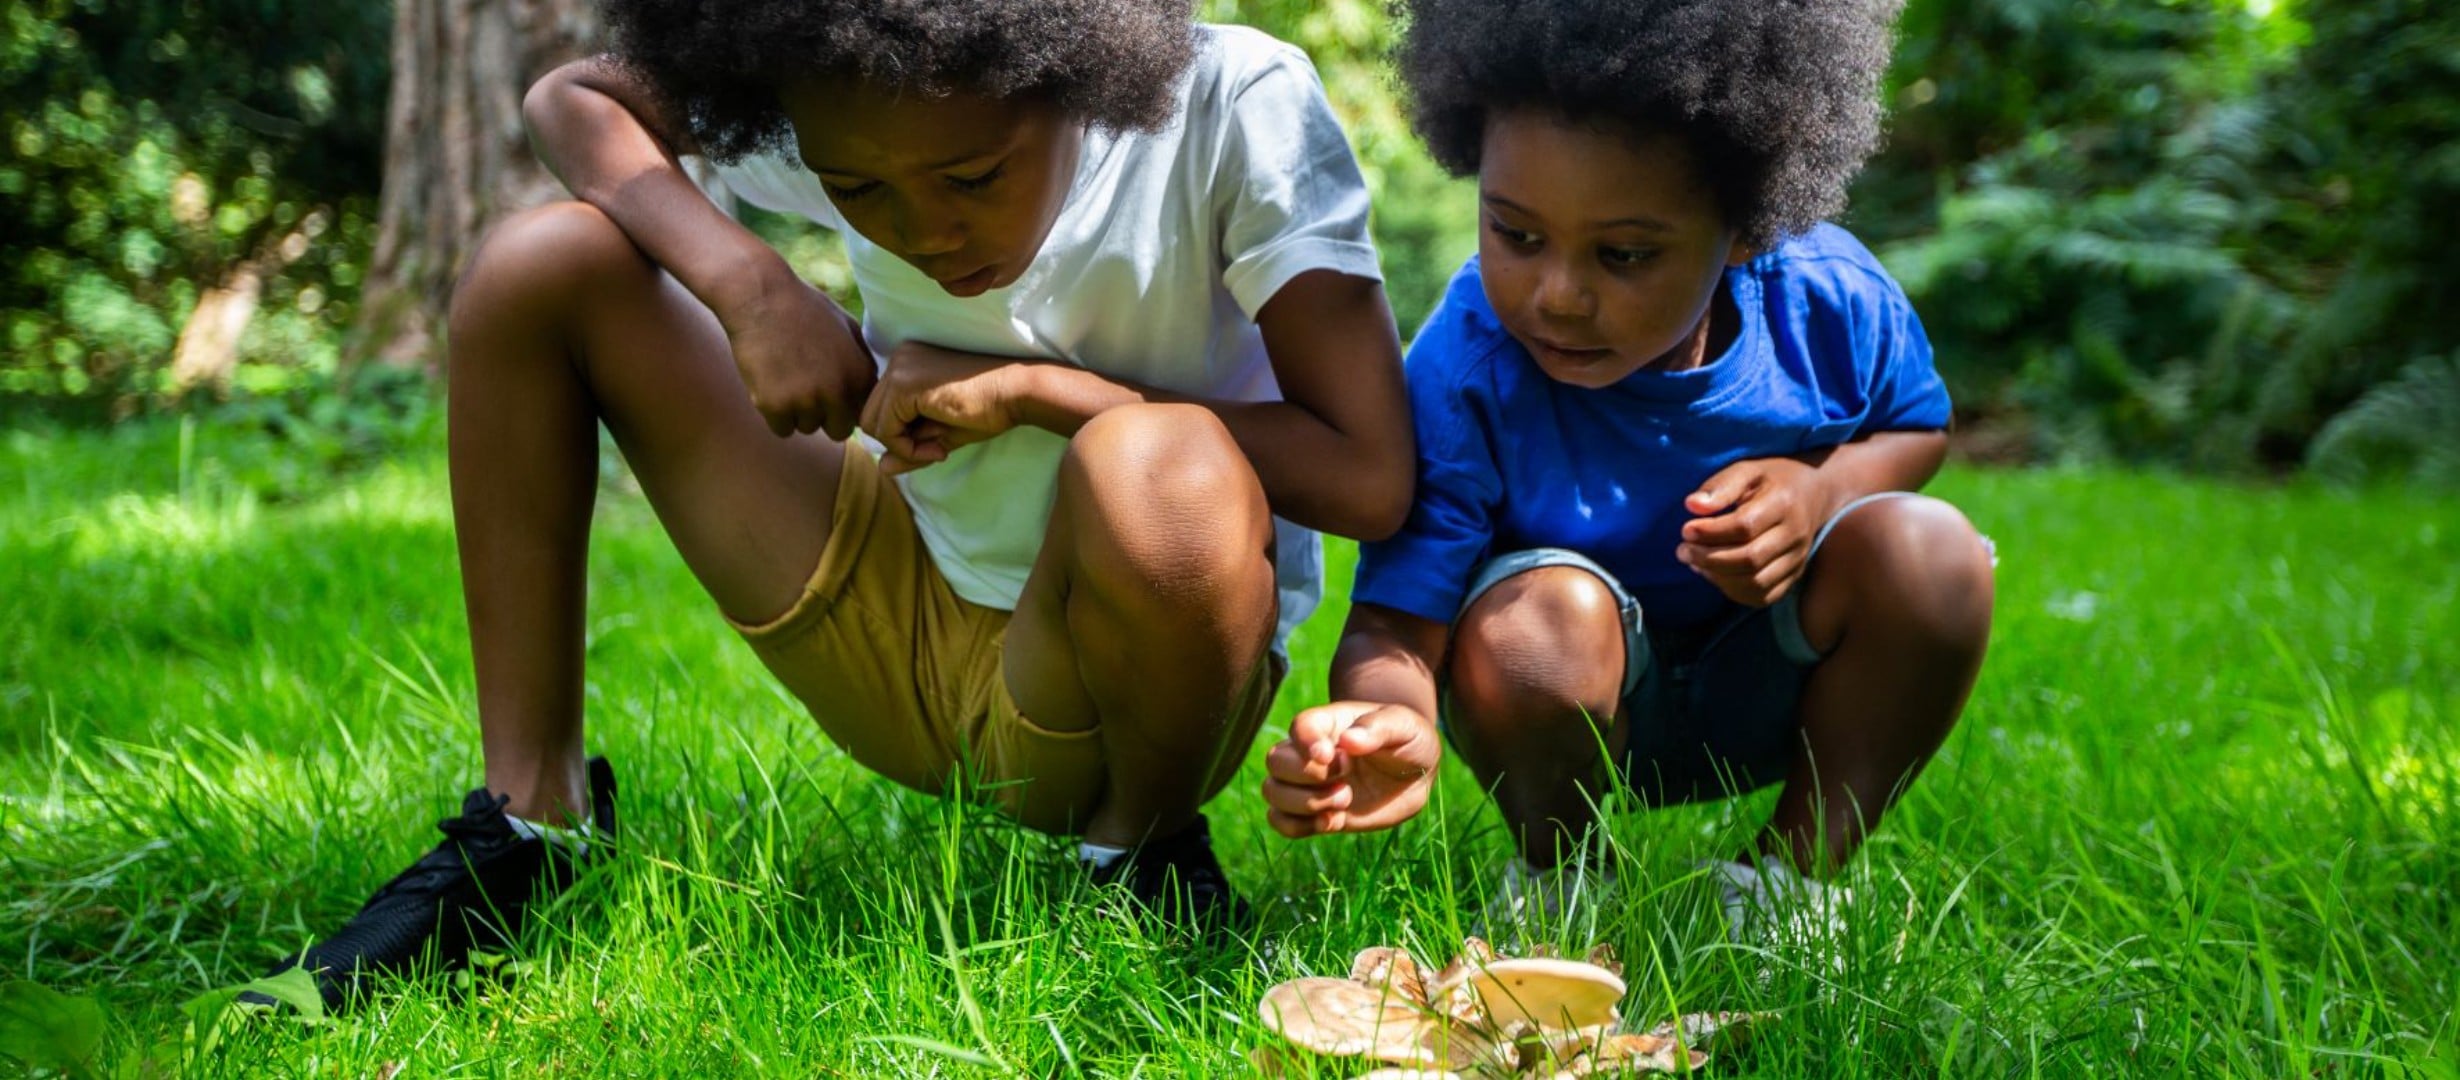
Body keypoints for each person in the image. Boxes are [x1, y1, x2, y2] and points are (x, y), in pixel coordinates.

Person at [263, 0, 1413, 1010]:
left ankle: (1141, 858)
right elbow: (572, 98)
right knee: (540, 265)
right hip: (895, 604)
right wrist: (750, 282)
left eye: (973, 178)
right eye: (859, 193)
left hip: (1133, 680)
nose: (924, 231)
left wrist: (1036, 395)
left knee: (1159, 463)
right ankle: (530, 831)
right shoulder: (842, 77)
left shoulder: (1231, 106)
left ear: (1077, 78)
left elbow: (1368, 472)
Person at [1259, 0, 1995, 941]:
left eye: (1626, 255)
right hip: (1552, 714)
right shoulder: (1465, 368)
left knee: (1934, 553)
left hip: (1780, 688)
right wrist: (1380, 718)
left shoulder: (1828, 302)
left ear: (1746, 229)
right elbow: (1398, 622)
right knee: (1540, 620)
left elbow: (1918, 428)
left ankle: (1790, 888)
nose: (1558, 295)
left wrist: (1822, 492)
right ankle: (1563, 882)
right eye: (1516, 236)